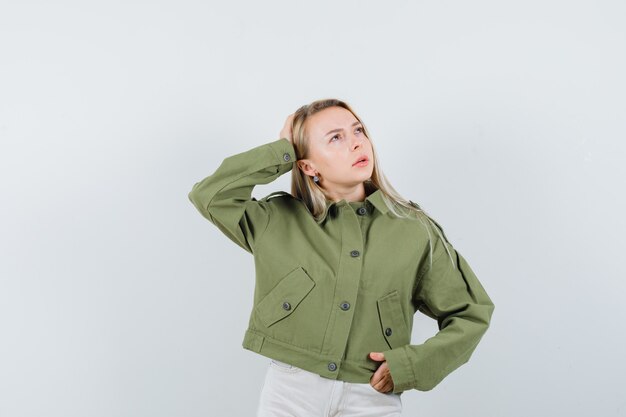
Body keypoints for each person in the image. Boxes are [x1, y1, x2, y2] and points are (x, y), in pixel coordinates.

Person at [187, 98, 495, 416]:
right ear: (308, 166)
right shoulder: (275, 219)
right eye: (336, 137)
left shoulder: (414, 229)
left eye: (358, 130)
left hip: (371, 395)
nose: (356, 143)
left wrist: (409, 366)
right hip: (291, 391)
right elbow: (209, 195)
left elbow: (471, 313)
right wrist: (283, 150)